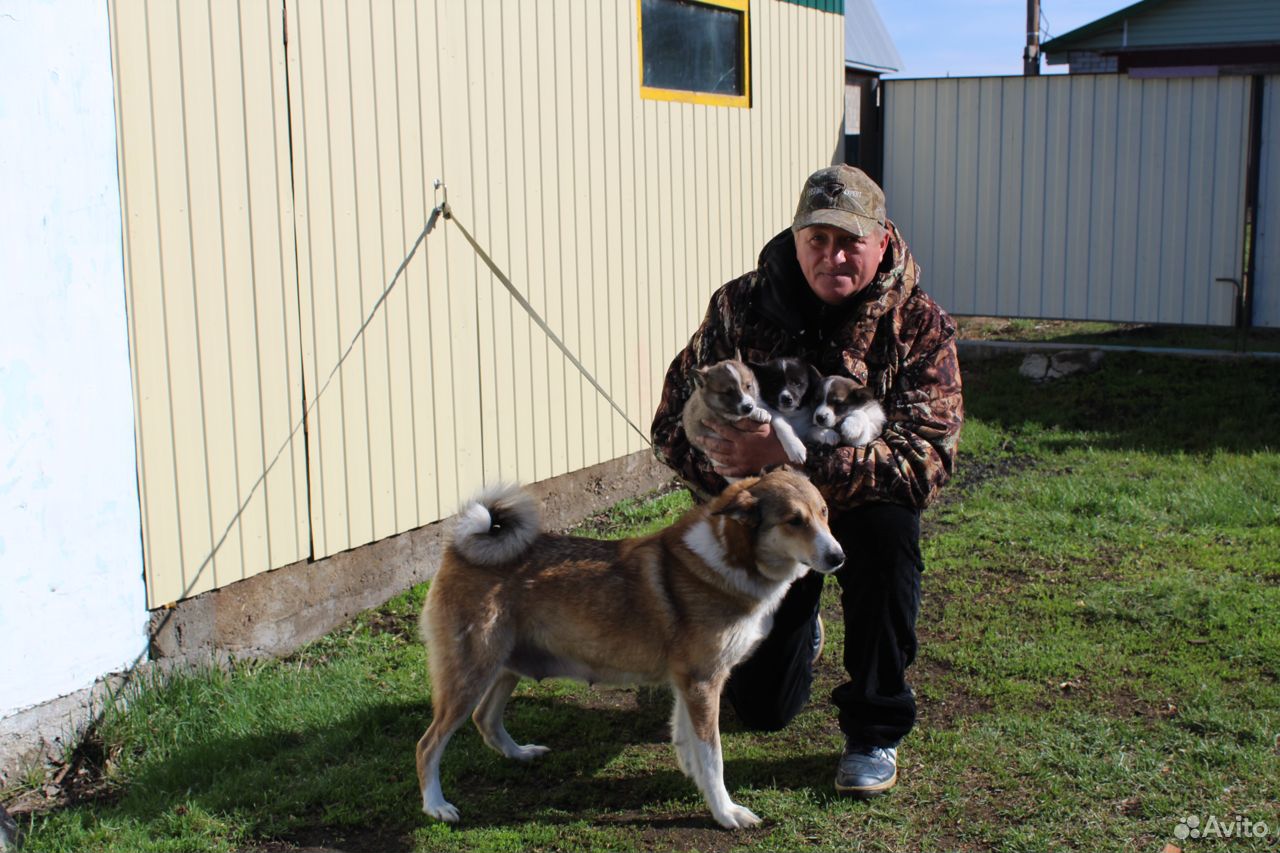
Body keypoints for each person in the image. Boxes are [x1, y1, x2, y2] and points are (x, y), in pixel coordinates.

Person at [650, 164, 963, 797]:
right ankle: (798, 632)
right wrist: (722, 460)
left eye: (849, 241)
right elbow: (668, 424)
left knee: (889, 534)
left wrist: (789, 464)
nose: (832, 255)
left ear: (881, 239)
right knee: (765, 712)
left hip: (861, 509)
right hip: (767, 527)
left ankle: (875, 727)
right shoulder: (738, 306)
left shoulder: (919, 324)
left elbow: (925, 461)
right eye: (816, 239)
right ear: (796, 240)